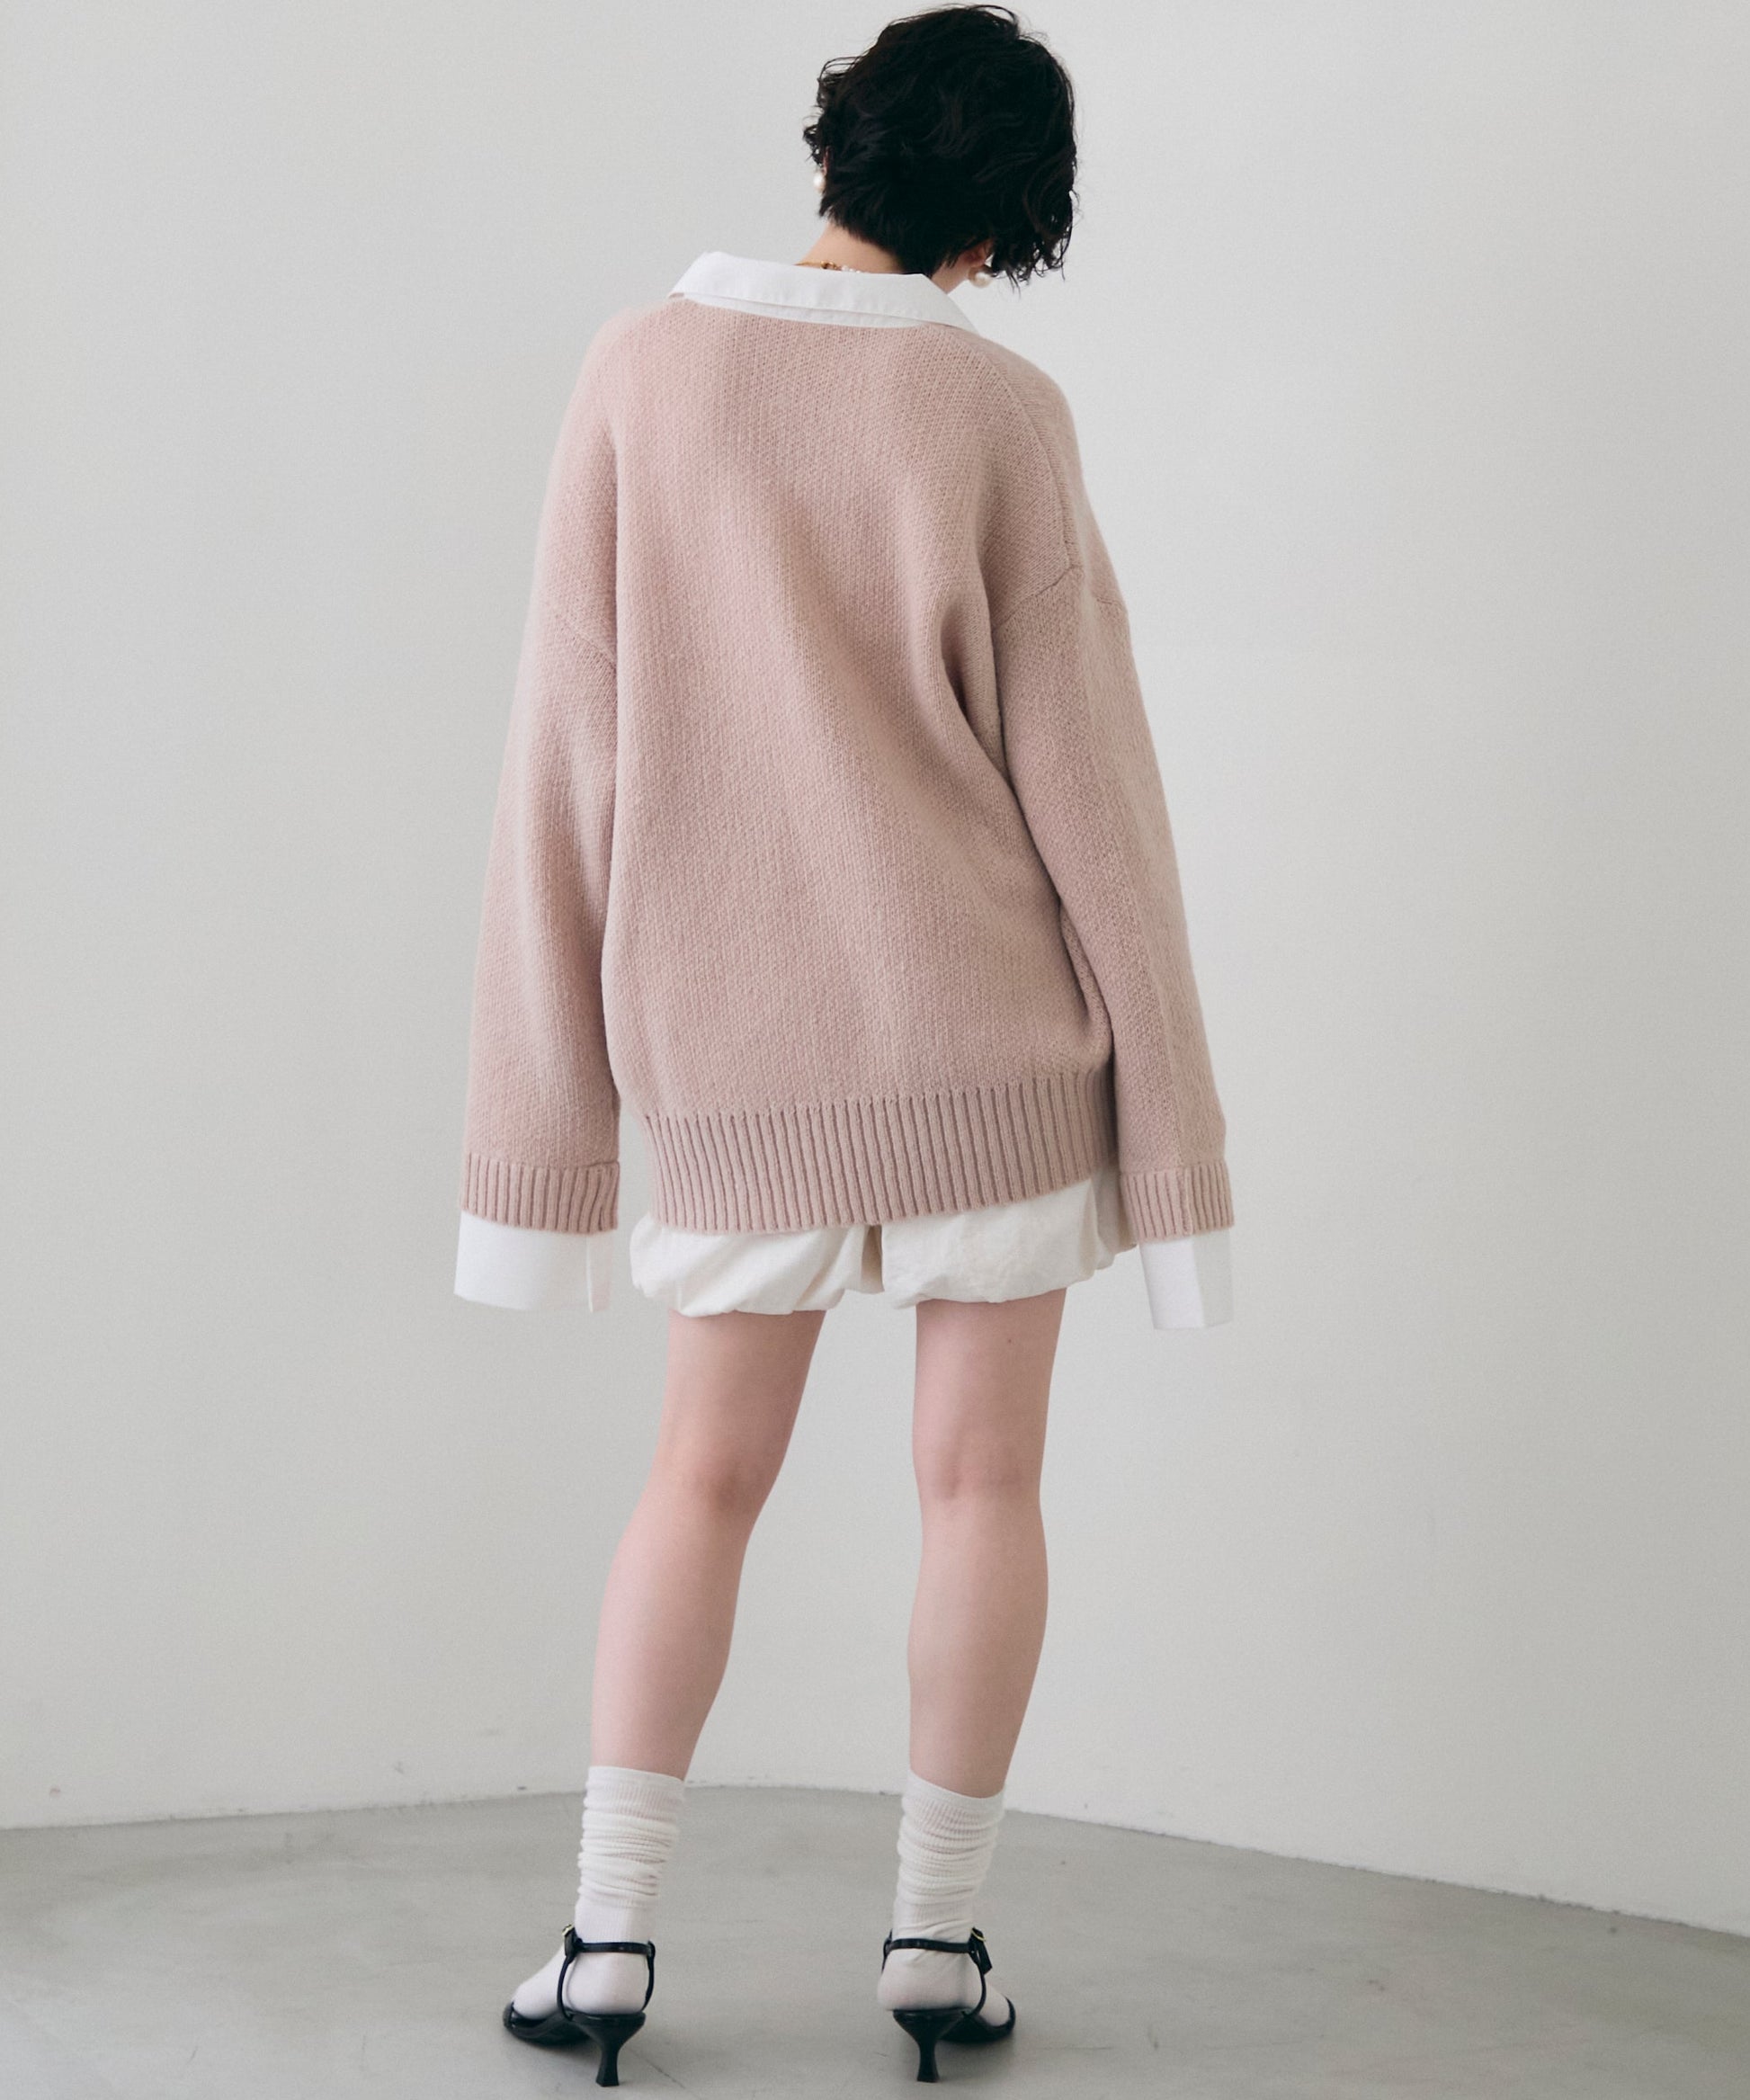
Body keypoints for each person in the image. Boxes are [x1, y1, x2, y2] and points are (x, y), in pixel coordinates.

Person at [451, 4, 1234, 2083]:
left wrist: (541, 1144)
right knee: (981, 1481)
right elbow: (1096, 800)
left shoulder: (639, 372)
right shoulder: (1001, 414)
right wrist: (1175, 1151)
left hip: (733, 1066)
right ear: (996, 226)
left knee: (699, 1475)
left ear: (837, 148)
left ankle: (604, 1943)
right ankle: (933, 1942)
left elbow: (565, 760)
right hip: (996, 1050)